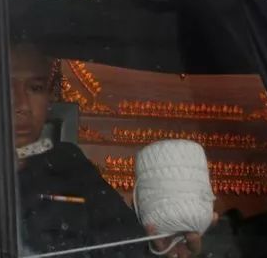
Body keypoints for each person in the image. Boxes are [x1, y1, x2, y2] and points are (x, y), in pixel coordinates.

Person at [11, 44, 206, 257]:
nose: (22, 105)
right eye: (5, 87)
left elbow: (125, 242)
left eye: (35, 88)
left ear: (49, 98)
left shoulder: (67, 165)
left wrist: (162, 251)